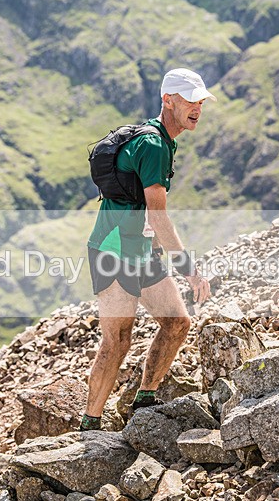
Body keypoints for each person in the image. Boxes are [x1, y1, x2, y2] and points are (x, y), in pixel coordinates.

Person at [82, 68, 214, 430]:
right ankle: (89, 426)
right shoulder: (154, 144)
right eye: (189, 100)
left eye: (200, 101)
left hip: (141, 250)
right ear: (167, 101)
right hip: (112, 252)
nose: (197, 108)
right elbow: (157, 214)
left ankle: (144, 402)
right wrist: (189, 268)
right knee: (117, 342)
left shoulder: (162, 141)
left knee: (176, 323)